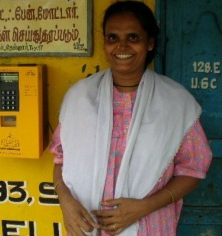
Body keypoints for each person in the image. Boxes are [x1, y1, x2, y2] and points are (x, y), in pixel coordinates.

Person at [50, 1, 213, 235]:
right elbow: (59, 160)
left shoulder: (175, 102)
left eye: (133, 37)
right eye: (113, 38)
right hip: (86, 225)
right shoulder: (79, 97)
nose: (122, 46)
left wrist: (143, 207)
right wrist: (65, 200)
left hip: (148, 224)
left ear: (150, 43)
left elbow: (193, 170)